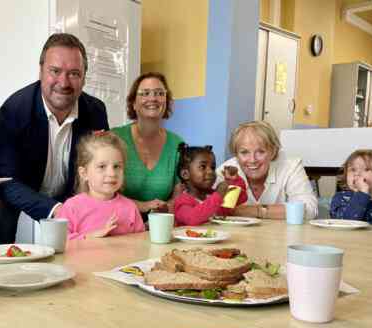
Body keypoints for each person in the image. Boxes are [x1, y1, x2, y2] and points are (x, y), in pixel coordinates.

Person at [0, 33, 109, 245]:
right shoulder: (14, 110)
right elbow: (6, 181)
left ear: (84, 78)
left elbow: (99, 165)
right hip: (15, 187)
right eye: (55, 71)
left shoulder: (96, 111)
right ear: (41, 71)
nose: (63, 82)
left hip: (68, 192)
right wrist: (55, 210)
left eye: (73, 73)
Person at [111, 72, 184, 214]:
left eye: (159, 93)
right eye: (145, 93)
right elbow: (101, 192)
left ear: (166, 102)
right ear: (133, 103)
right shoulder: (114, 138)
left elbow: (178, 196)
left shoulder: (177, 144)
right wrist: (143, 206)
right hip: (117, 223)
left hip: (159, 224)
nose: (153, 98)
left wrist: (163, 211)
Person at [216, 121, 318, 220]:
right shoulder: (226, 171)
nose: (252, 160)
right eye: (244, 152)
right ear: (236, 155)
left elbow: (309, 209)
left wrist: (254, 211)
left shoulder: (291, 167)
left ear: (273, 152)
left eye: (260, 152)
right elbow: (207, 207)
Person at [55, 131, 144, 239]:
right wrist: (91, 236)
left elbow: (140, 244)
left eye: (116, 166)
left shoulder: (130, 208)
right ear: (84, 173)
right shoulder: (72, 207)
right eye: (102, 166)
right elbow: (59, 240)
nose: (112, 173)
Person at [174, 144, 247, 226]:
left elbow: (241, 198)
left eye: (212, 167)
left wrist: (234, 180)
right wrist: (218, 195)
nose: (210, 172)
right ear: (185, 174)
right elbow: (192, 218)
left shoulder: (213, 195)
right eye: (203, 167)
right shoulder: (182, 201)